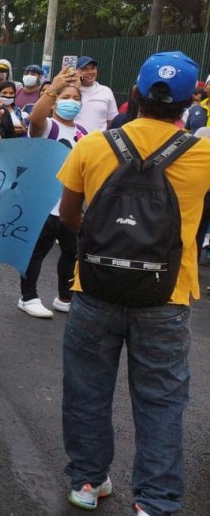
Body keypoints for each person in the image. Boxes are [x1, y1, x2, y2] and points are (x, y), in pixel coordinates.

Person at [56, 51, 210, 515]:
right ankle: (155, 502)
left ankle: (87, 481)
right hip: (167, 296)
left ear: (136, 94)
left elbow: (68, 215)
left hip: (94, 289)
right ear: (190, 102)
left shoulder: (94, 145)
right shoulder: (203, 154)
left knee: (87, 389)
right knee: (161, 402)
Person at [19, 65, 85, 319]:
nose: (72, 102)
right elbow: (35, 120)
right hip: (43, 204)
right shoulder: (49, 128)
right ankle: (28, 296)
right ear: (55, 102)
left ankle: (65, 296)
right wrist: (52, 89)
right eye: (66, 98)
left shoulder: (84, 134)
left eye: (76, 98)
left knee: (72, 251)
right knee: (37, 252)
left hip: (70, 206)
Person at [72, 56, 118, 132]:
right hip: (75, 141)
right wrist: (76, 87)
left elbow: (111, 120)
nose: (90, 72)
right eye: (85, 69)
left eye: (93, 68)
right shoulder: (69, 91)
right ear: (77, 72)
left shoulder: (106, 91)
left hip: (98, 141)